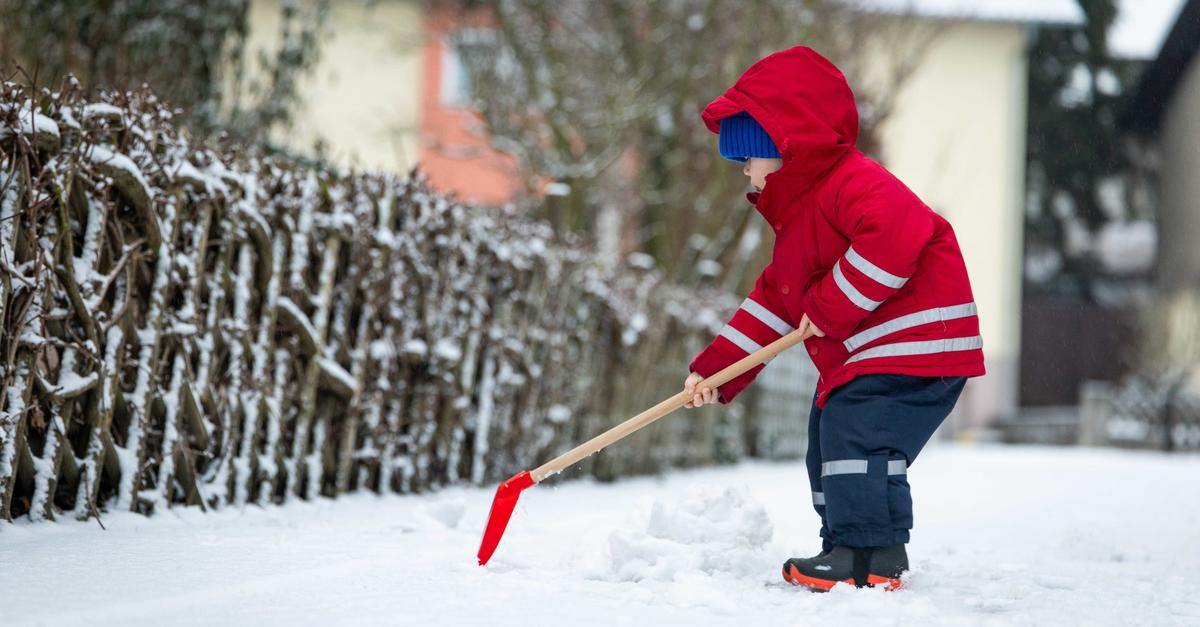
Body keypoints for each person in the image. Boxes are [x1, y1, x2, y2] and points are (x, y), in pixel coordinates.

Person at [681, 46, 985, 591]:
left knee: (856, 432)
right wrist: (718, 370)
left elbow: (899, 234)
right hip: (882, 353)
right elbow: (774, 303)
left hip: (917, 341)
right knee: (830, 435)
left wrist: (827, 308)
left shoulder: (850, 183)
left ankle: (858, 553)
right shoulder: (799, 222)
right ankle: (862, 551)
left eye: (748, 157)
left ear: (784, 145)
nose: (745, 172)